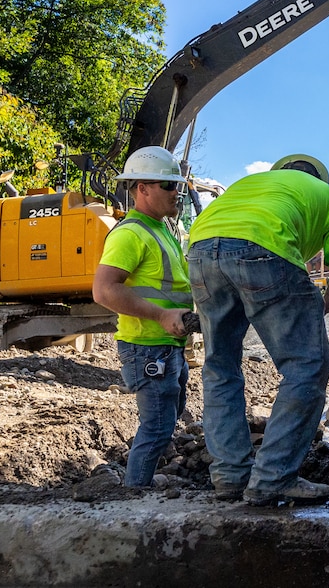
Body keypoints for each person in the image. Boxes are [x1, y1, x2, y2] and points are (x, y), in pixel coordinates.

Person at [187, 153, 329, 506]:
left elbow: (223, 238)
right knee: (306, 365)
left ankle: (230, 477)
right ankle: (274, 478)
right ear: (317, 178)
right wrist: (321, 308)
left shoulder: (246, 186)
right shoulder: (325, 195)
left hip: (200, 251)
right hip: (264, 249)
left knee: (220, 367)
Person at [92, 146, 193, 487]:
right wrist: (162, 316)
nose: (175, 191)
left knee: (168, 417)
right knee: (157, 426)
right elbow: (104, 290)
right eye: (167, 185)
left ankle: (139, 485)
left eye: (175, 185)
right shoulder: (130, 233)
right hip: (148, 348)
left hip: (167, 345)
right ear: (142, 189)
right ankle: (134, 493)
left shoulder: (162, 229)